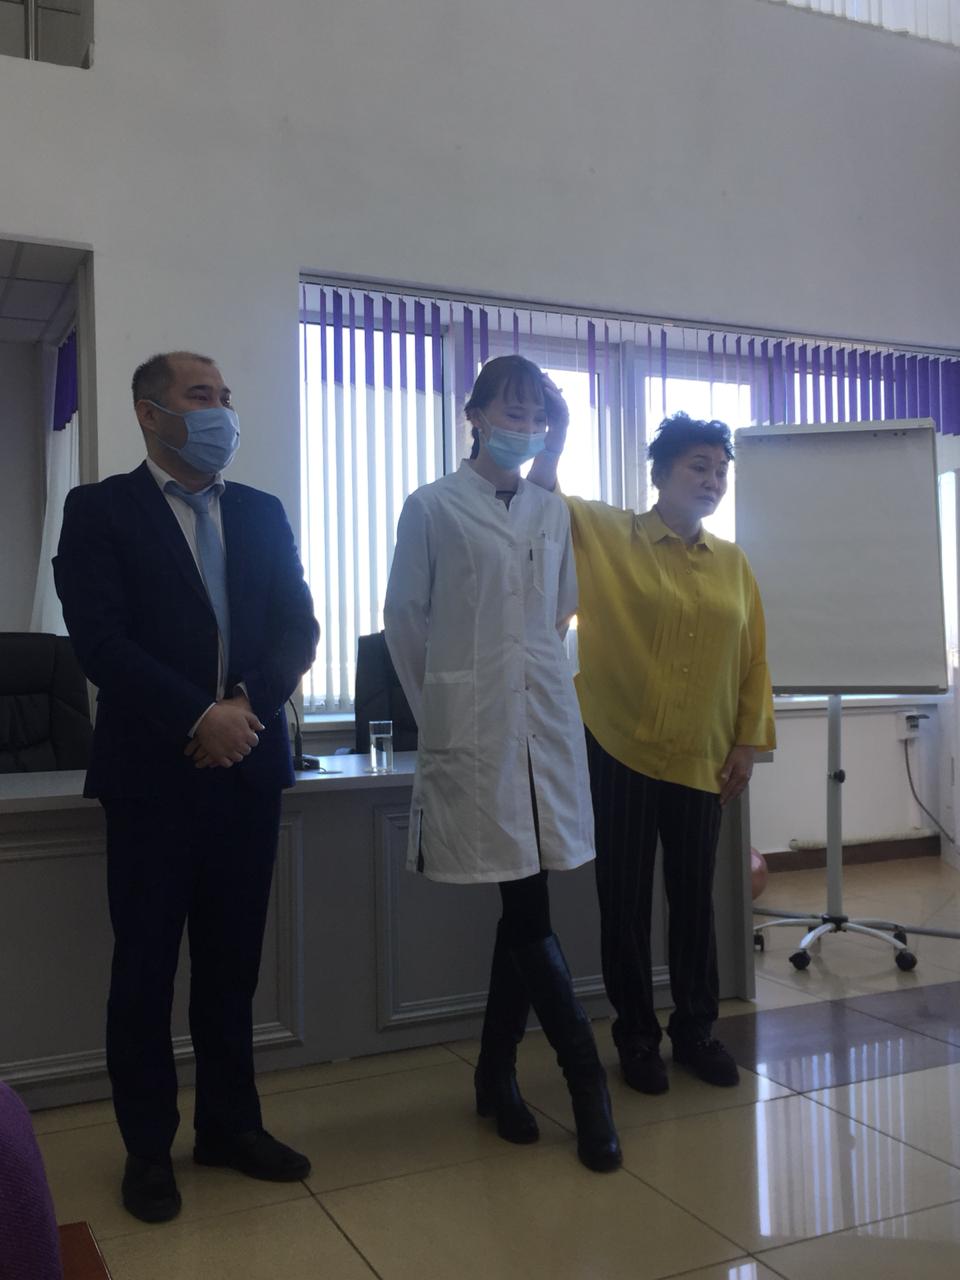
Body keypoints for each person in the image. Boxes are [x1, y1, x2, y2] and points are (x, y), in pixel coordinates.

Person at [53, 352, 319, 1222]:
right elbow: (101, 642)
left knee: (232, 969)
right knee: (144, 972)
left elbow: (298, 626)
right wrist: (197, 716)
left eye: (226, 396)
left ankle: (230, 1128)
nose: (221, 410)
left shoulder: (261, 511)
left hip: (247, 771)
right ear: (150, 413)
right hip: (151, 781)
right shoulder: (100, 511)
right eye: (201, 396)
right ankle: (147, 1150)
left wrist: (243, 708)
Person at [384, 355, 621, 1173]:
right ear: (475, 415)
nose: (524, 426)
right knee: (526, 904)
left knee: (524, 897)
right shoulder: (431, 506)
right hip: (475, 732)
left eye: (536, 415)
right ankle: (584, 1081)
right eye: (511, 411)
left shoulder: (551, 511)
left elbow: (557, 613)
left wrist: (521, 690)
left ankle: (494, 1074)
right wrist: (450, 714)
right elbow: (406, 622)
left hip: (542, 725)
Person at [528, 407, 775, 1094]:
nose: (713, 480)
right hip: (620, 748)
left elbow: (754, 658)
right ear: (661, 473)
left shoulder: (733, 564)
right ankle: (637, 1036)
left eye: (721, 471)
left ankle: (697, 1031)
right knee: (625, 901)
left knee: (695, 901)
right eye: (699, 466)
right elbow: (541, 503)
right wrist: (554, 440)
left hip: (703, 756)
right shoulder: (609, 533)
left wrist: (748, 743)